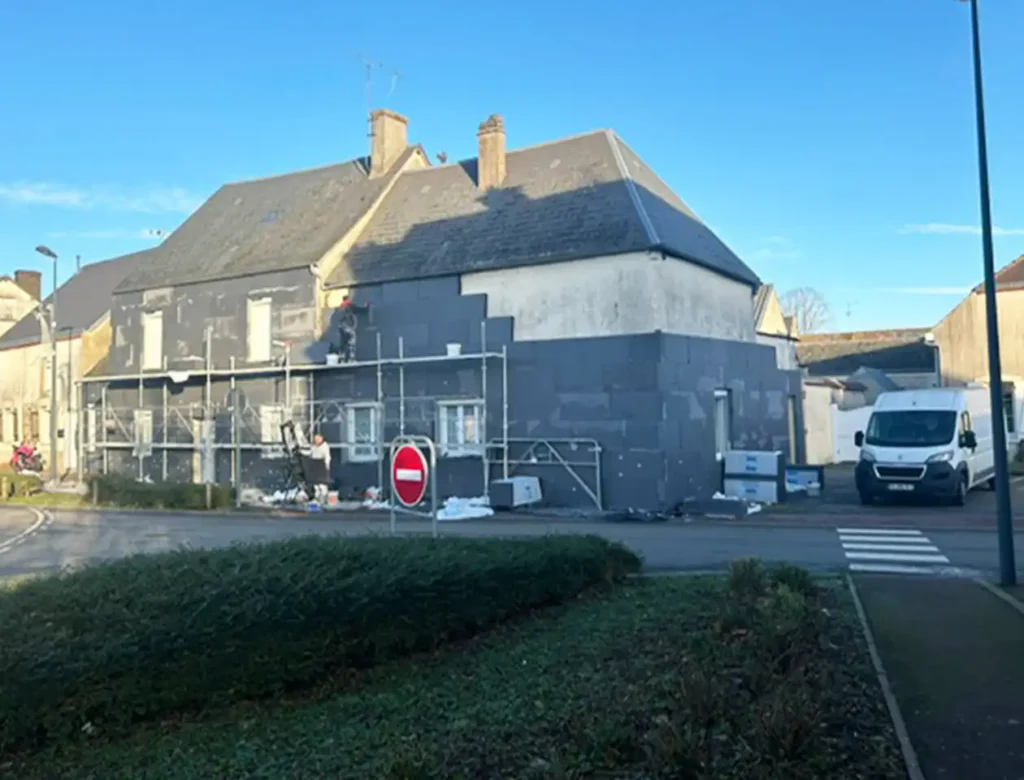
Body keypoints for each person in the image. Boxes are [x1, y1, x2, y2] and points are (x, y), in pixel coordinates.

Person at [337, 296, 369, 363]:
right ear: (348, 299)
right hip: (348, 327)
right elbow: (360, 310)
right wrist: (366, 306)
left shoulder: (340, 308)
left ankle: (341, 359)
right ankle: (351, 359)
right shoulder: (350, 306)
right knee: (352, 342)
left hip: (341, 328)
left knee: (343, 343)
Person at [305, 433, 332, 503]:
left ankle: (324, 499)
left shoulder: (325, 446)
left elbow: (327, 457)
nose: (316, 440)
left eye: (317, 439)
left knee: (322, 485)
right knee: (316, 485)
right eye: (315, 439)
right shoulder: (313, 446)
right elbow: (310, 454)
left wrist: (327, 465)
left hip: (322, 465)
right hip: (315, 465)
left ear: (321, 438)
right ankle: (317, 498)